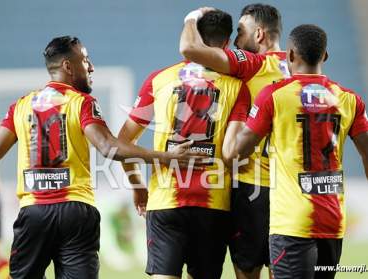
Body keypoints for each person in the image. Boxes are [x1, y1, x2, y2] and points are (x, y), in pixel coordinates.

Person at [0, 36, 205, 279]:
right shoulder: (81, 103)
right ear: (67, 66)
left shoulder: (20, 106)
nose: (91, 67)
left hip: (33, 212)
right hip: (75, 211)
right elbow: (108, 146)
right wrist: (164, 156)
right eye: (85, 60)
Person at [118, 10, 250, 279]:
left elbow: (123, 142)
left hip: (165, 202)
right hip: (213, 205)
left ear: (194, 37)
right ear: (227, 44)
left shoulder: (159, 80)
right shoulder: (238, 87)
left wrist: (137, 186)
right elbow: (232, 153)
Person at [236, 24, 368, 279]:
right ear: (325, 56)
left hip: (292, 223)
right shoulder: (349, 99)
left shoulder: (274, 96)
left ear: (290, 55)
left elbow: (240, 150)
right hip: (332, 221)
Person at [180, 4, 288, 279]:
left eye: (241, 31)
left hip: (253, 187)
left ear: (260, 34)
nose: (237, 38)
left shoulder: (253, 63)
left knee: (247, 272)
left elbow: (190, 50)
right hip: (290, 189)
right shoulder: (300, 67)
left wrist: (192, 18)